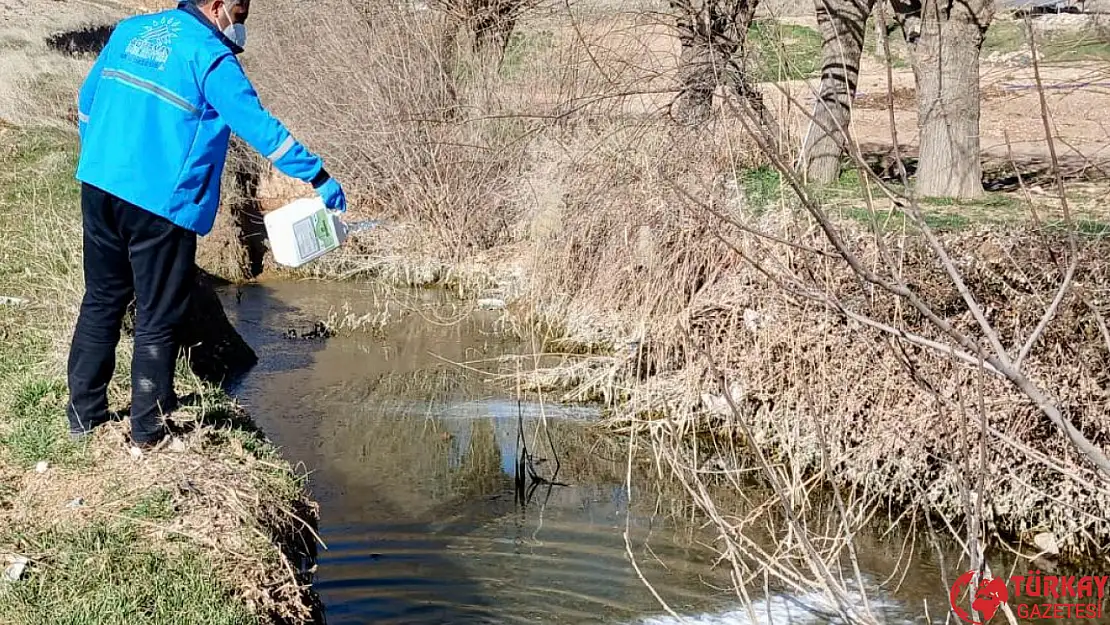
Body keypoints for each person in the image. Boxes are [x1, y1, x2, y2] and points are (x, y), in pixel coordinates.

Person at [69, 0, 345, 449]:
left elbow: (87, 102)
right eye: (239, 16)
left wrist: (97, 154)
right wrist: (317, 175)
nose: (239, 28)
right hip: (159, 203)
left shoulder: (130, 31)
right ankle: (148, 429)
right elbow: (263, 129)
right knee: (159, 315)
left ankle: (83, 416)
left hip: (98, 183)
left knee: (102, 298)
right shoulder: (210, 56)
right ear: (217, 6)